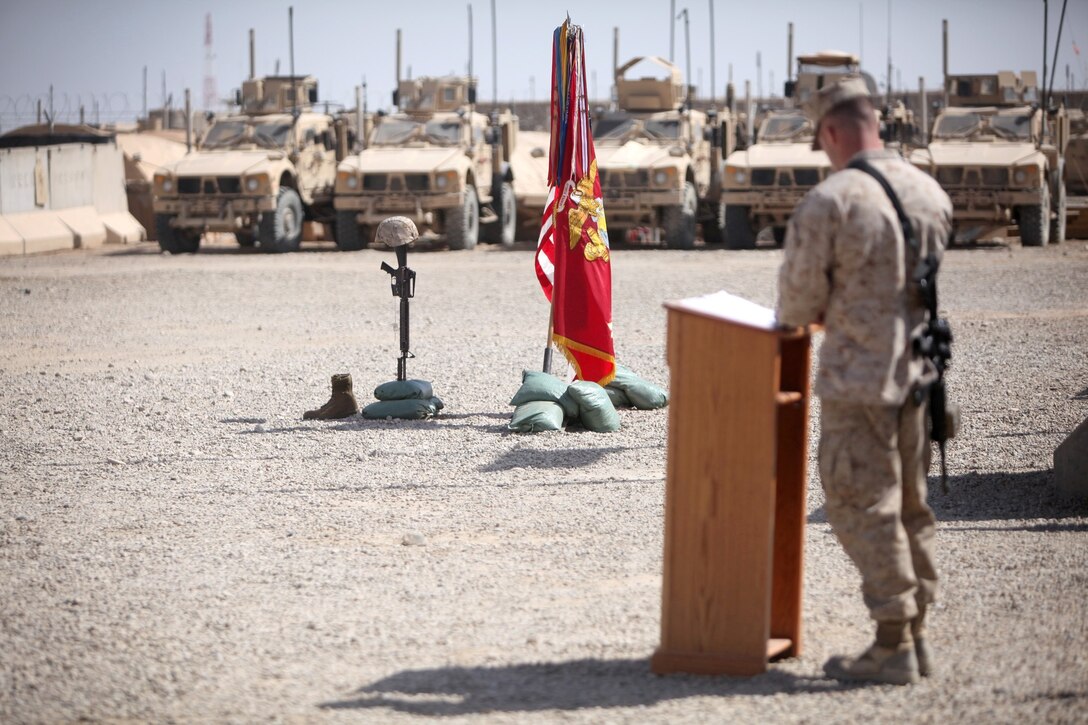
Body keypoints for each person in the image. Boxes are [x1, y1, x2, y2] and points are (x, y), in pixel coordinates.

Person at [775, 76, 953, 686]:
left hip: (858, 384)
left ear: (829, 131)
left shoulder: (834, 200)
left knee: (859, 507)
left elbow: (797, 305)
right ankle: (917, 636)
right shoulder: (928, 191)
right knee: (910, 508)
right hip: (919, 382)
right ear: (873, 121)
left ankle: (892, 642)